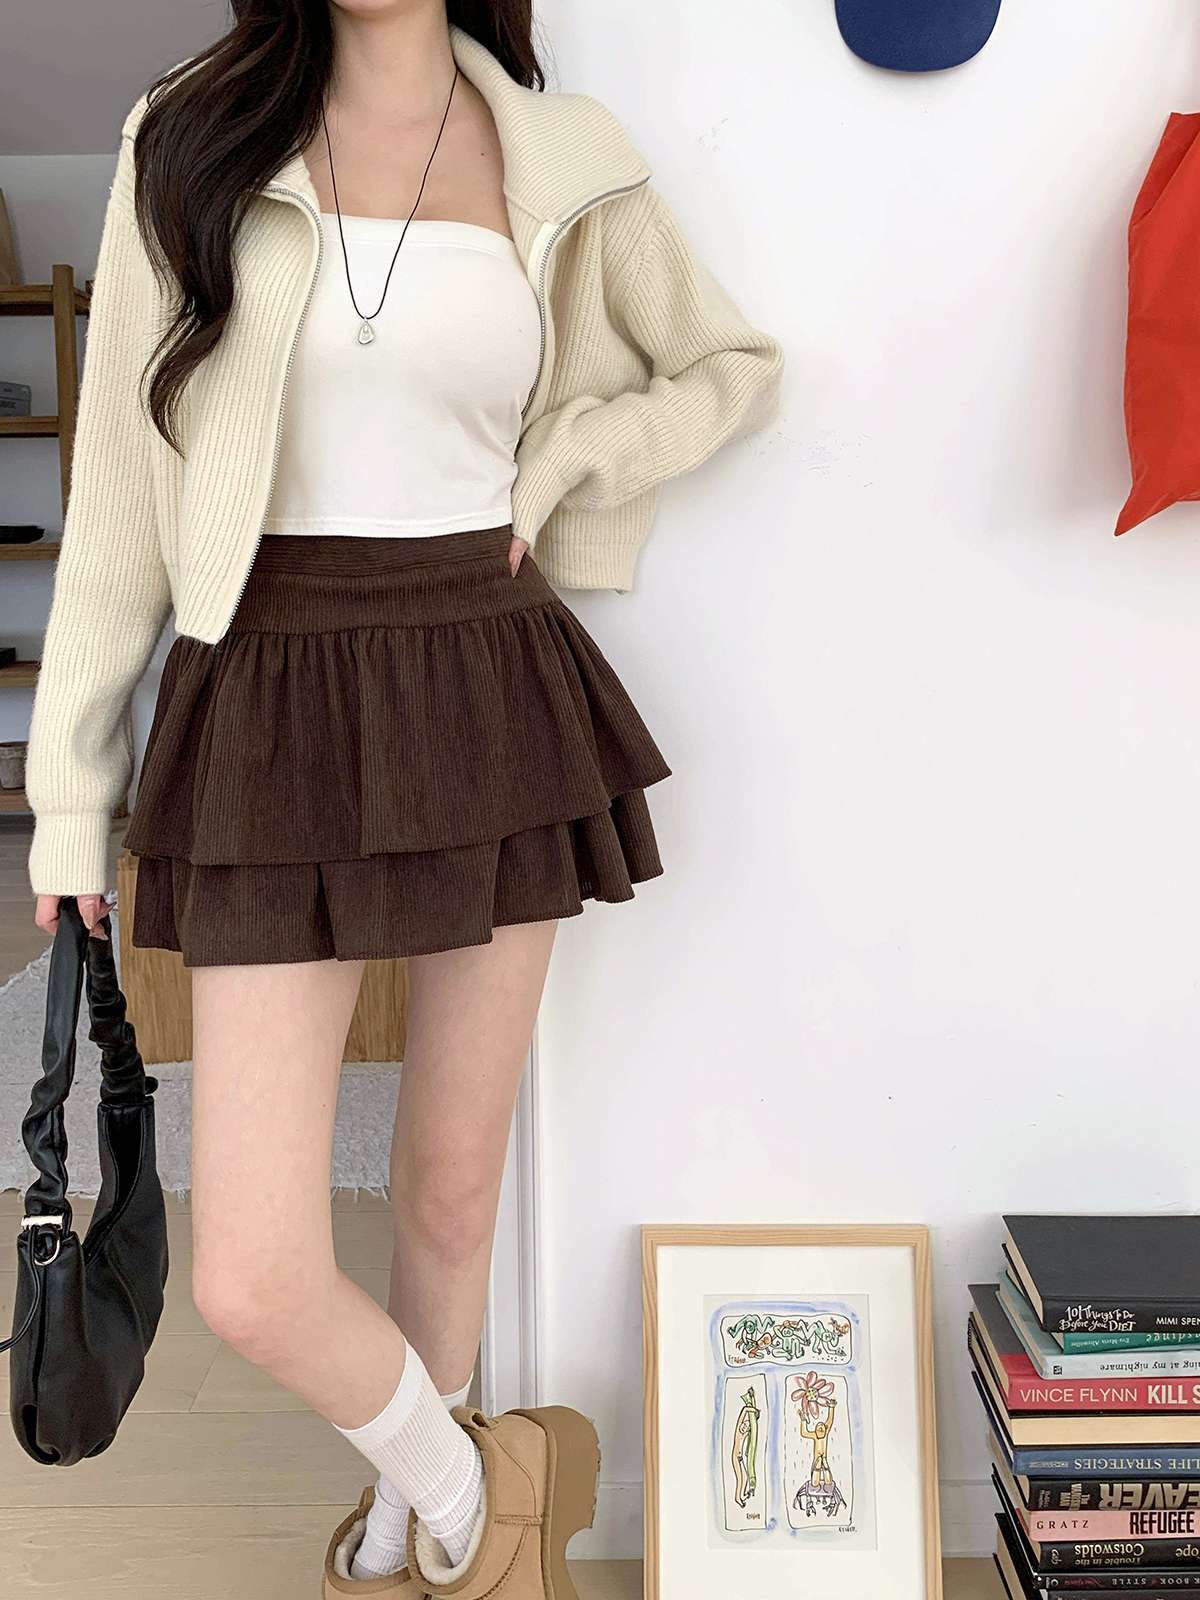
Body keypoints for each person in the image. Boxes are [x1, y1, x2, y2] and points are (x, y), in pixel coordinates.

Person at [24, 3, 783, 1595]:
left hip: (488, 677)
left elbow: (732, 367)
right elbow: (121, 500)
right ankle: (482, 1497)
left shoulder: (562, 154)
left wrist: (566, 458)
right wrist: (72, 795)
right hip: (267, 687)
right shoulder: (190, 137)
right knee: (250, 1271)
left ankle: (408, 1542)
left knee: (450, 1182)